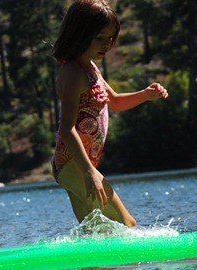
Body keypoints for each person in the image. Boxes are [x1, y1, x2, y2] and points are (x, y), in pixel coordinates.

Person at [51, 0, 168, 226]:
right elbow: (67, 129)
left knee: (95, 231)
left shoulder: (90, 68)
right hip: (73, 165)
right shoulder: (73, 73)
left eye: (111, 38)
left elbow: (114, 102)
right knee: (127, 224)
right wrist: (89, 172)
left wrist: (145, 95)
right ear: (79, 34)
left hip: (78, 165)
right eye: (99, 38)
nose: (107, 44)